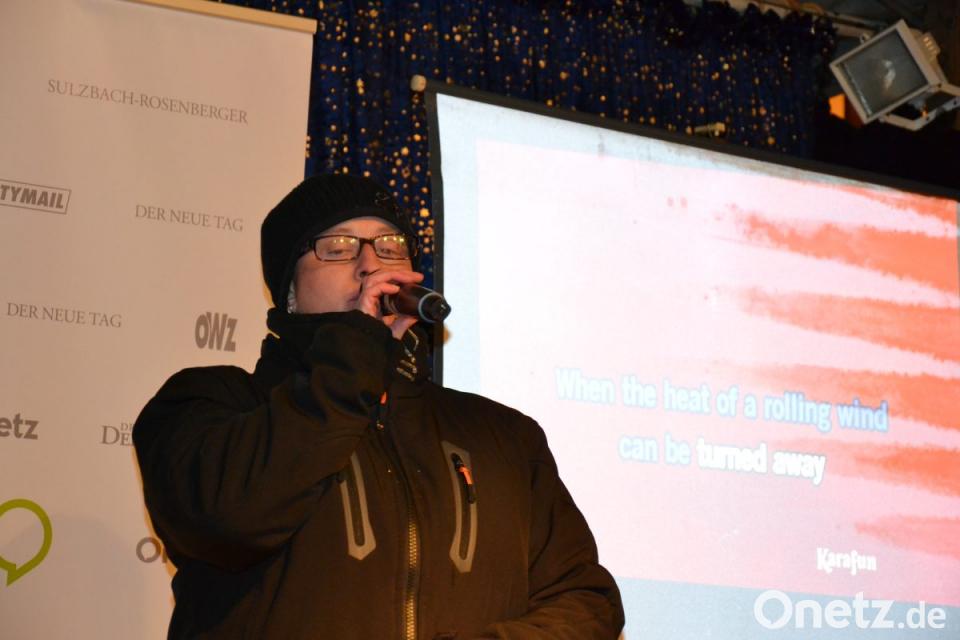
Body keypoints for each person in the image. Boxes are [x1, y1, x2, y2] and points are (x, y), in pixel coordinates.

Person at [133, 173, 624, 639]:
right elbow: (228, 521)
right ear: (288, 292)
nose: (371, 264)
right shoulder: (207, 404)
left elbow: (584, 599)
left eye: (389, 246)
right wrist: (355, 354)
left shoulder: (502, 436)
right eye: (338, 248)